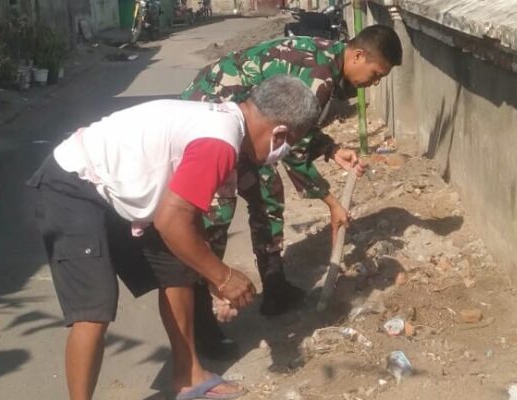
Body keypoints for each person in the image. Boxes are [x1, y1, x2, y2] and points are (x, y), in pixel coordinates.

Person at [27, 75, 320, 400]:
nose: (284, 151)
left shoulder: (224, 126)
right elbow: (171, 222)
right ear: (279, 132)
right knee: (94, 308)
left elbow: (185, 217)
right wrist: (223, 277)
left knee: (178, 270)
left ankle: (189, 376)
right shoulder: (219, 142)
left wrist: (208, 272)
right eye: (290, 142)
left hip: (117, 191)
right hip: (73, 184)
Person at [180, 24, 403, 358]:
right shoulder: (319, 77)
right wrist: (331, 202)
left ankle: (275, 287)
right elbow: (293, 149)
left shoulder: (329, 62)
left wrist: (329, 149)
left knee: (267, 193)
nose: (373, 84)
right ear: (358, 55)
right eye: (375, 74)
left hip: (249, 127)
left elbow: (300, 129)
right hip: (212, 116)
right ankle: (199, 323)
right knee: (215, 215)